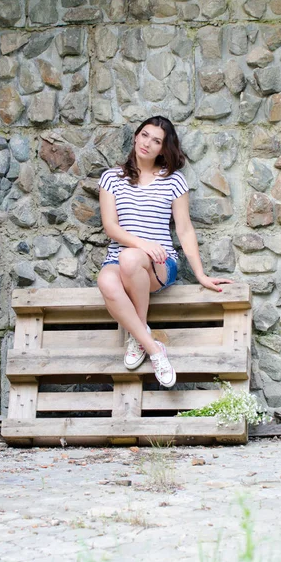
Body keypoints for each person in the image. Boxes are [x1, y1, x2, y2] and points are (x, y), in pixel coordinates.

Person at [97, 116, 232, 388]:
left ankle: (137, 334)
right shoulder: (112, 177)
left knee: (131, 257)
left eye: (156, 140)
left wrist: (201, 275)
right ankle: (153, 347)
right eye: (144, 135)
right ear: (136, 136)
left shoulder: (173, 181)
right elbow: (110, 227)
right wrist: (142, 243)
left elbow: (184, 230)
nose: (147, 143)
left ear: (163, 148)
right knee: (106, 279)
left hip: (160, 264)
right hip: (120, 259)